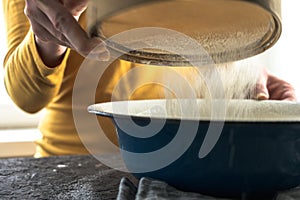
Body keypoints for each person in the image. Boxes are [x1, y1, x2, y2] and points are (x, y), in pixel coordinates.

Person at [2, 0, 296, 157]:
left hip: (185, 164)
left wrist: (240, 73)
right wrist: (45, 39)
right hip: (75, 165)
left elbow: (200, 36)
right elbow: (25, 97)